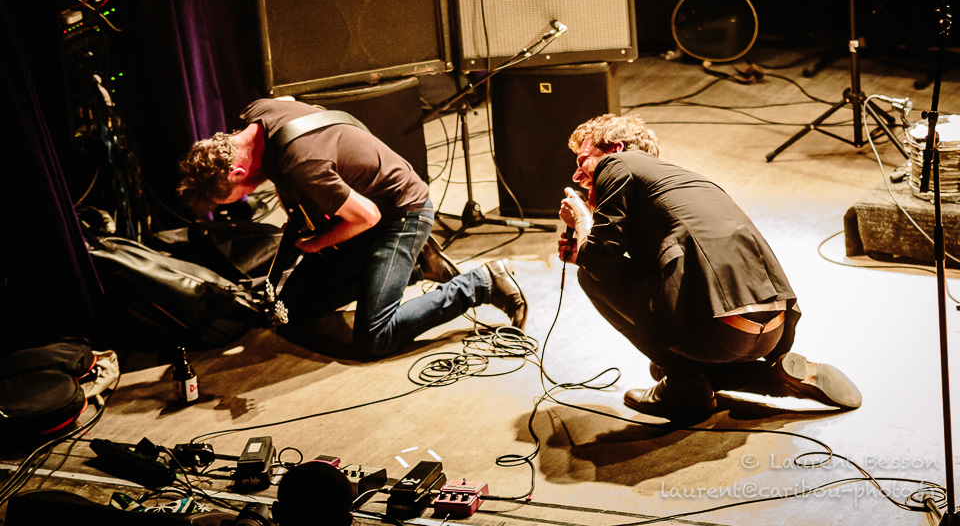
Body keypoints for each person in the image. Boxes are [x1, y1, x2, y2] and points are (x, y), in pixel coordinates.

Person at [557, 113, 861, 421]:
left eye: (583, 161)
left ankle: (686, 386)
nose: (576, 175)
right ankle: (771, 378)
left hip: (720, 330)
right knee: (661, 367)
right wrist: (586, 247)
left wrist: (582, 220)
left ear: (615, 149)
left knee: (591, 279)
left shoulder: (616, 165)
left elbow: (599, 265)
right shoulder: (681, 182)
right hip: (771, 329)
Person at [177, 96, 527, 357]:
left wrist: (315, 244)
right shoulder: (259, 111)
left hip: (401, 214)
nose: (249, 194)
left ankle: (479, 284)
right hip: (364, 216)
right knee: (290, 312)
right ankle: (414, 267)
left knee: (375, 337)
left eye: (241, 193)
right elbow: (291, 102)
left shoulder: (302, 162)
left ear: (236, 172)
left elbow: (368, 216)